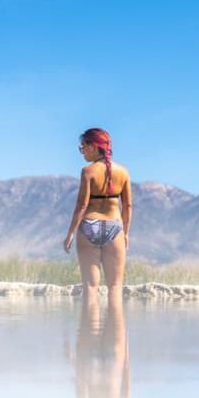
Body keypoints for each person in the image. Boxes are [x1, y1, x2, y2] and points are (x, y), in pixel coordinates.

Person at [64, 128, 132, 300]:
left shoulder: (87, 172)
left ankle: (88, 327)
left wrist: (70, 233)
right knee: (116, 288)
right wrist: (126, 233)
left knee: (90, 288)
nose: (82, 152)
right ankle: (115, 327)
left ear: (93, 147)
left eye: (83, 147)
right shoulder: (123, 172)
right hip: (115, 227)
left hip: (89, 226)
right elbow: (128, 206)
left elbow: (81, 205)